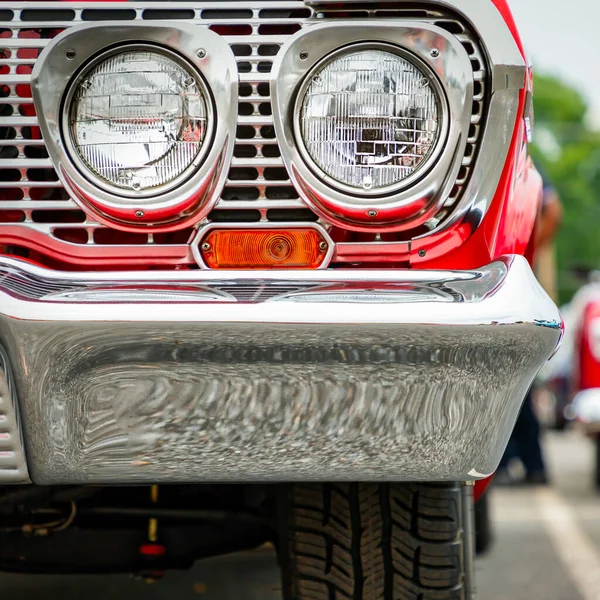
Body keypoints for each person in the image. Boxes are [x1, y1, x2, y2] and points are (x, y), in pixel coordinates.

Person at [497, 163, 563, 485]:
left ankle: (517, 461)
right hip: (510, 280)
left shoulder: (522, 166)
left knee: (511, 381)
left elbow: (554, 211)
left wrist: (528, 250)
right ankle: (525, 462)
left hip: (510, 280)